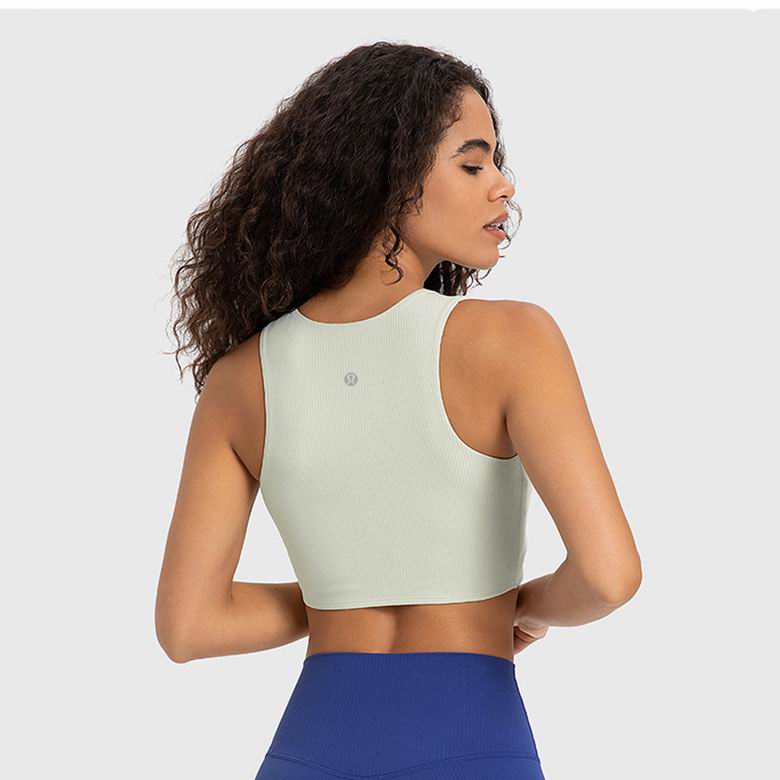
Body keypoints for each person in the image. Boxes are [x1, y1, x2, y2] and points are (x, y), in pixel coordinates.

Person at [155, 42, 642, 779]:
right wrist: (525, 607)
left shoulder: (239, 380)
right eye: (472, 164)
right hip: (471, 741)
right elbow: (608, 576)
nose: (503, 186)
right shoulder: (512, 341)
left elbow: (190, 626)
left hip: (310, 748)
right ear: (389, 175)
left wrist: (338, 599)